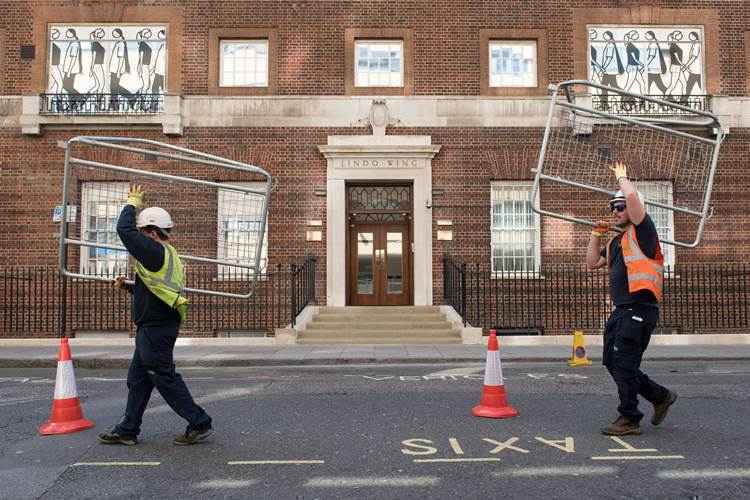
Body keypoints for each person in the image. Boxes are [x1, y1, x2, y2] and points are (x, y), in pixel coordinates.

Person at [98, 185, 213, 446]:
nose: (138, 237)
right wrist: (129, 286)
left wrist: (131, 203)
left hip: (156, 328)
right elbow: (159, 289)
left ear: (151, 231)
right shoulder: (167, 254)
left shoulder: (153, 250)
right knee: (138, 380)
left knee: (163, 376)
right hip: (157, 324)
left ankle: (199, 421)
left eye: (142, 232)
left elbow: (123, 230)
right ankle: (128, 429)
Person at [586, 162, 677, 436]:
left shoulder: (643, 231)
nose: (616, 210)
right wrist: (595, 235)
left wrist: (622, 177)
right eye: (612, 207)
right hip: (621, 310)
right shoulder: (617, 242)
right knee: (612, 363)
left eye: (620, 206)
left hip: (640, 309)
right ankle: (660, 396)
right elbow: (592, 263)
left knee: (624, 364)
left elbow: (635, 200)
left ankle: (629, 417)